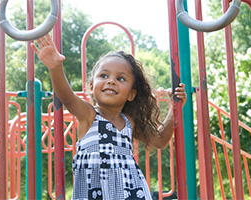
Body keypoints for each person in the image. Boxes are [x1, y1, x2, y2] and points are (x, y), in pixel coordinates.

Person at [31, 33, 187, 200]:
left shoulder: (129, 122)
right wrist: (55, 67)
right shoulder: (89, 115)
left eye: (121, 78)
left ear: (131, 94)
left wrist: (175, 108)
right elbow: (66, 96)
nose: (111, 81)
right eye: (104, 76)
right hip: (95, 194)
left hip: (130, 194)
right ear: (91, 87)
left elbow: (160, 140)